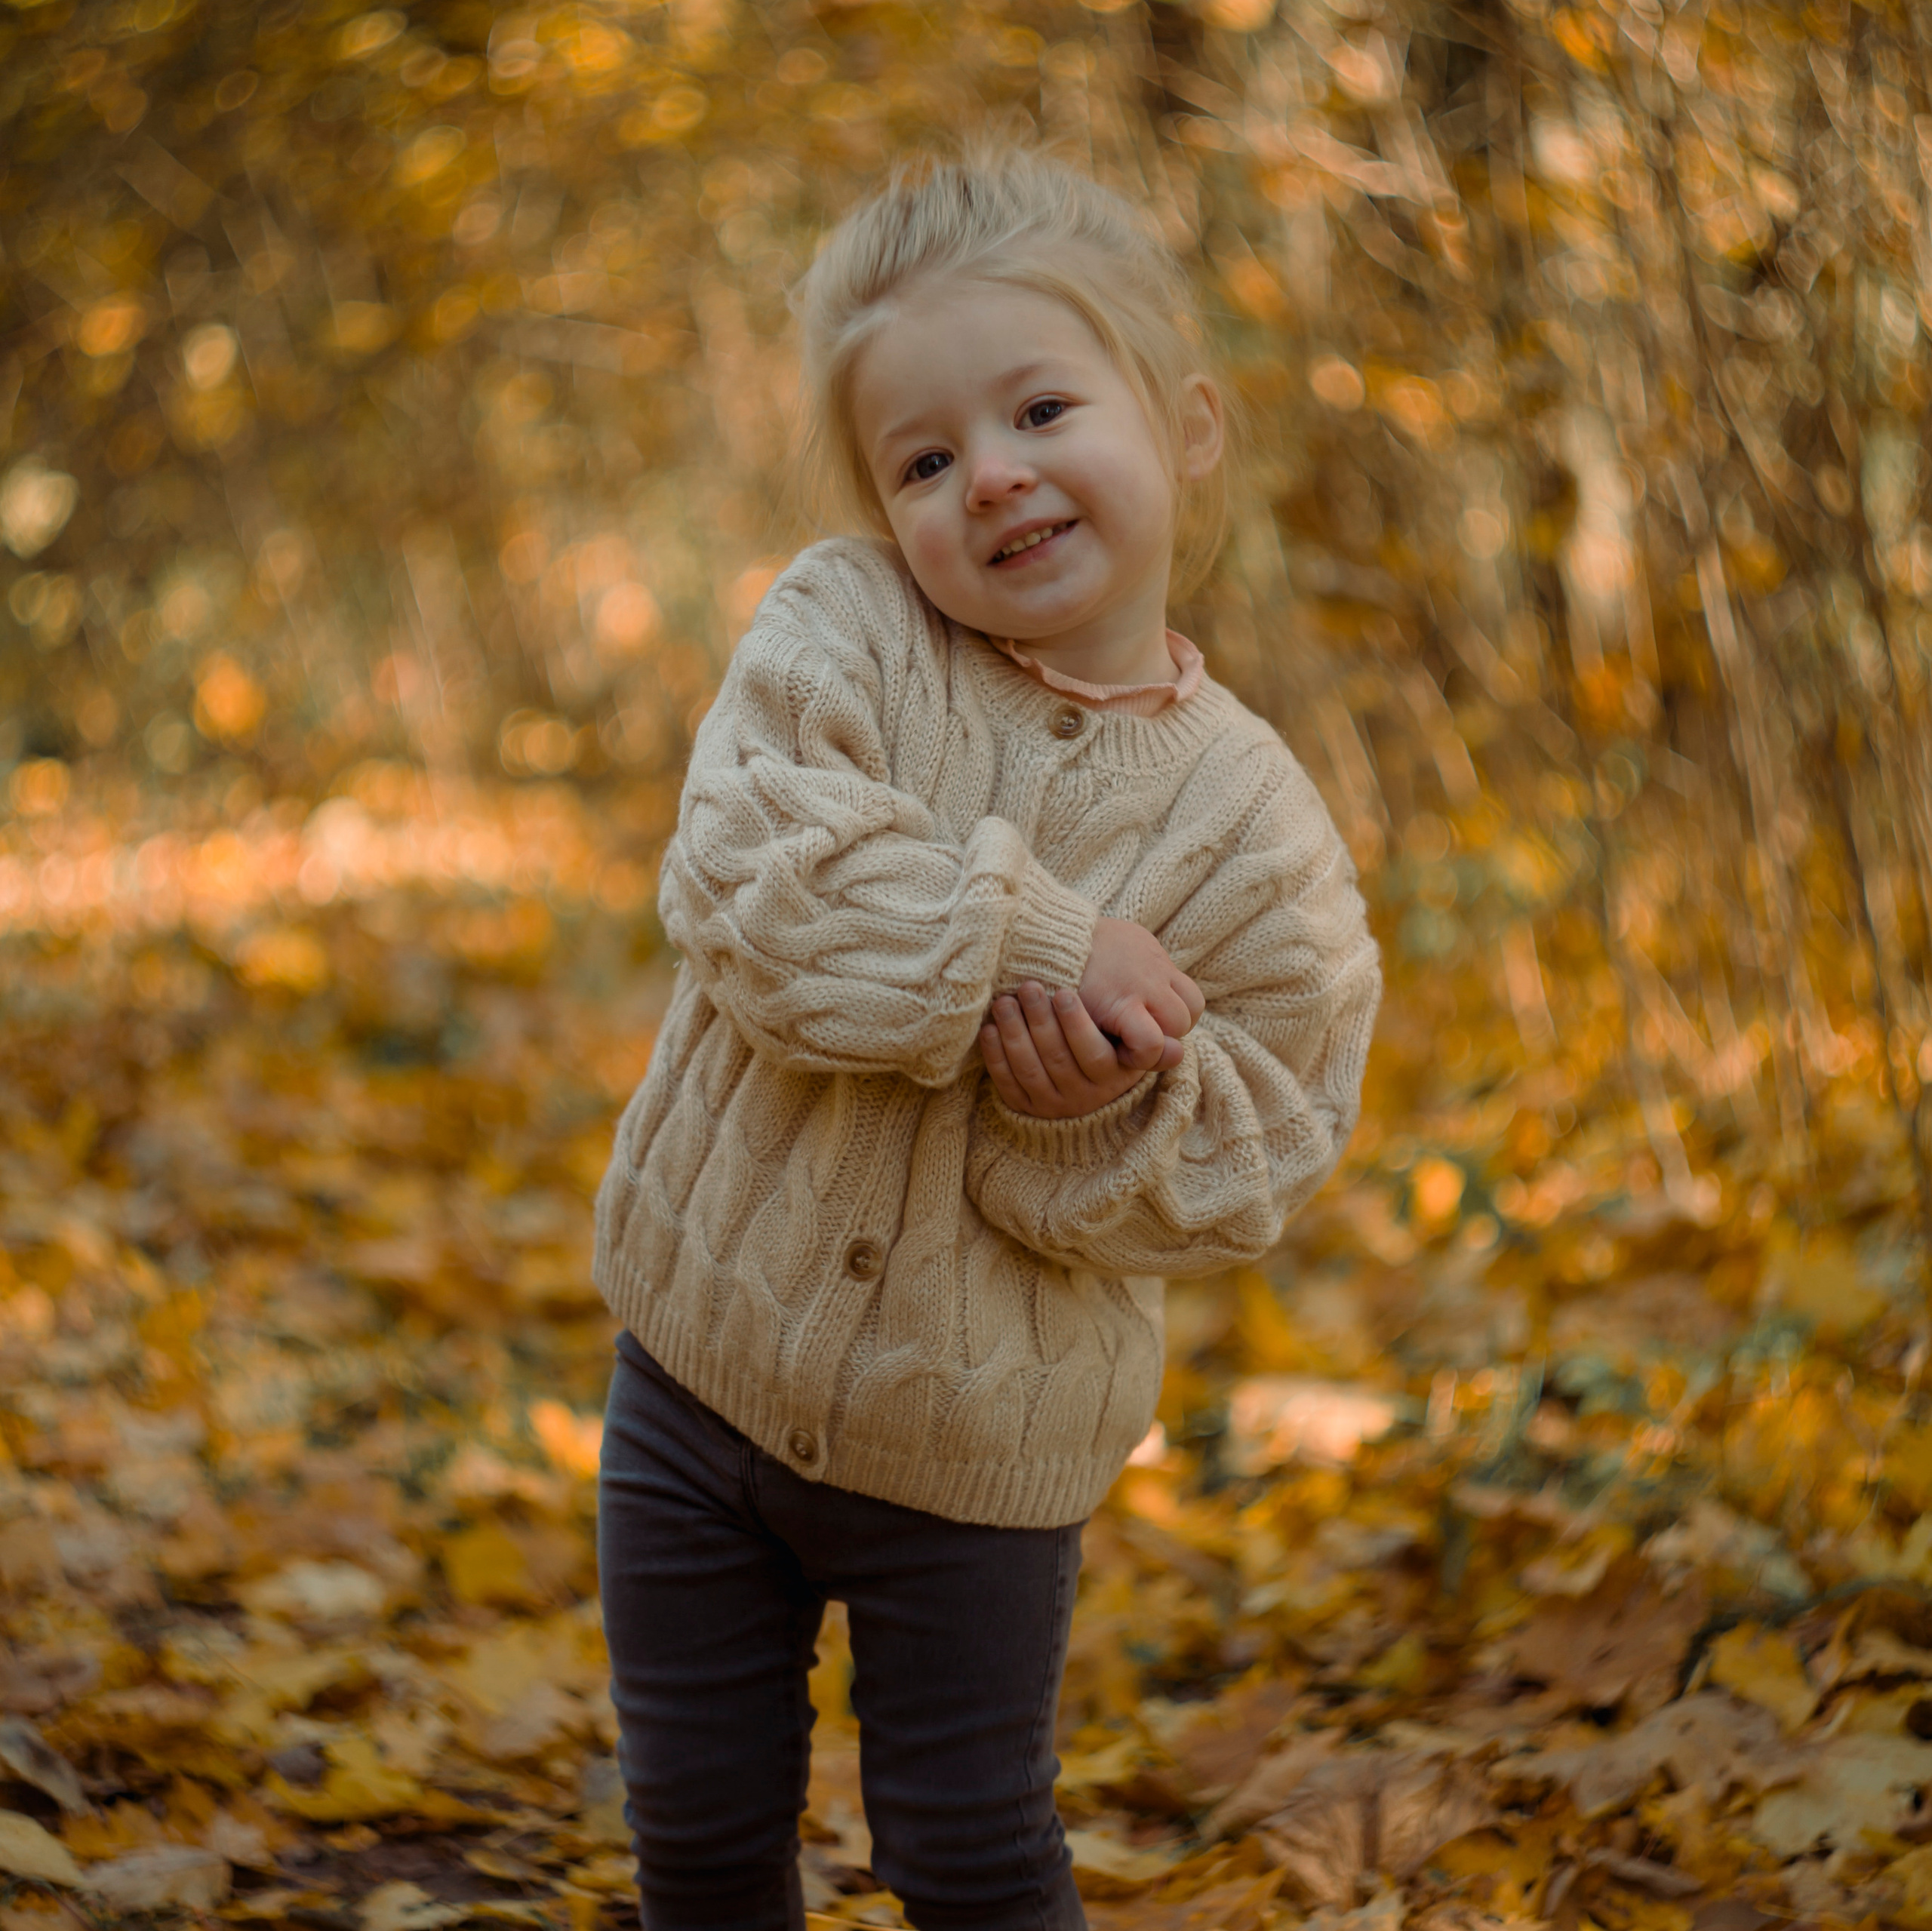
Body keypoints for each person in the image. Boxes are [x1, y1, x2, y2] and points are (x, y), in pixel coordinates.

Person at [592, 148, 1380, 1931]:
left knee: (969, 1851)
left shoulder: (1257, 829)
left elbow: (1271, 1120)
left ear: (1181, 428)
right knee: (699, 1839)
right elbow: (746, 871)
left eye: (1038, 408)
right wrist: (1033, 944)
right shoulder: (844, 627)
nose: (992, 475)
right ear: (881, 506)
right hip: (698, 1364)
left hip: (982, 1446)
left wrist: (1084, 1121)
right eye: (925, 459)